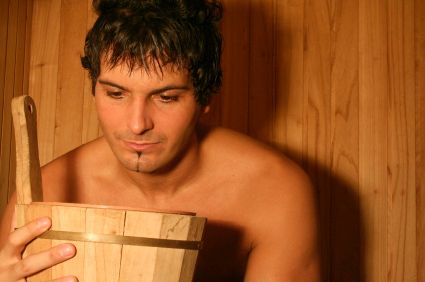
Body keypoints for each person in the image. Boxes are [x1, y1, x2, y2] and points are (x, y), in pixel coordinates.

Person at [0, 0, 320, 281]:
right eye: (116, 93)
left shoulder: (272, 190)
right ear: (95, 89)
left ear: (205, 98)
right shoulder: (43, 195)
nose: (138, 124)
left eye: (166, 97)